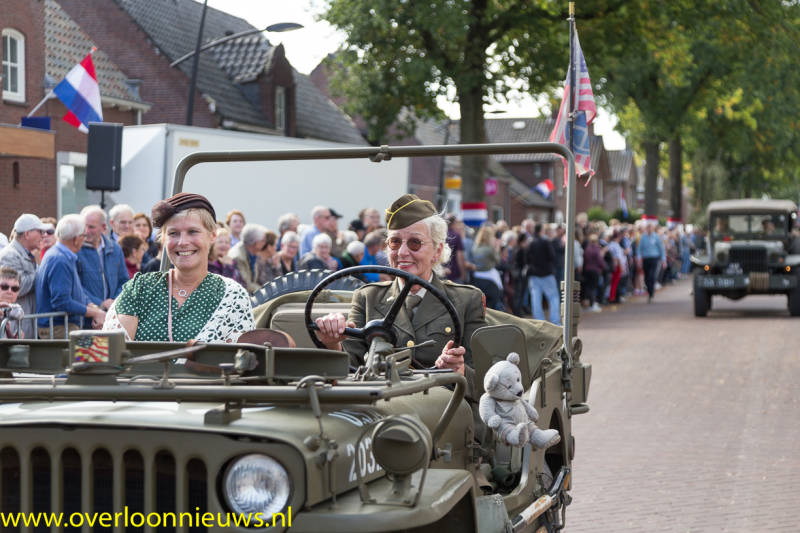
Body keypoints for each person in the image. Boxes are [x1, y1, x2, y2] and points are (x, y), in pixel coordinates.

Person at [314, 193, 486, 390]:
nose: (402, 252)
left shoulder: (466, 300)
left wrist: (460, 371)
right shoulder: (367, 298)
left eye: (415, 243)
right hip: (381, 410)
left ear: (437, 251)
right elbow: (347, 371)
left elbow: (486, 382)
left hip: (442, 411)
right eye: (395, 242)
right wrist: (332, 344)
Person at [103, 193, 255, 343]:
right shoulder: (140, 289)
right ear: (163, 239)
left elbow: (238, 361)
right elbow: (113, 352)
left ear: (212, 236)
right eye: (173, 233)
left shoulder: (231, 295)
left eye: (193, 232)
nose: (182, 242)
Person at [36, 214, 106, 338]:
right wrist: (93, 312)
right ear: (76, 239)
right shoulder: (60, 260)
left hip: (61, 327)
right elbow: (61, 302)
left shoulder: (62, 256)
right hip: (59, 329)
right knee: (83, 357)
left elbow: (75, 291)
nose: (85, 239)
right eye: (83, 235)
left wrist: (91, 306)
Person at [0, 213, 48, 338]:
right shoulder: (10, 255)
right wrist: (42, 271)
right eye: (40, 231)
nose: (44, 235)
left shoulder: (27, 255)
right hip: (14, 328)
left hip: (25, 325)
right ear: (27, 234)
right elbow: (18, 288)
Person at [77, 205, 130, 310]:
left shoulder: (115, 249)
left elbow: (124, 281)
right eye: (84, 227)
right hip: (87, 314)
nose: (86, 231)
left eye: (91, 227)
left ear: (104, 227)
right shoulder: (76, 250)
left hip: (111, 312)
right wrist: (100, 303)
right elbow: (76, 286)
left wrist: (114, 302)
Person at [526, 223, 561, 325]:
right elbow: (552, 256)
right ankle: (555, 321)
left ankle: (538, 321)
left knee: (536, 298)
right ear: (541, 231)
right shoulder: (545, 242)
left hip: (534, 274)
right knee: (553, 297)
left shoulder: (530, 242)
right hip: (546, 273)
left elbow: (526, 258)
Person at [228, 223, 268, 294]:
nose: (265, 243)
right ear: (255, 242)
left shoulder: (253, 253)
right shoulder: (238, 257)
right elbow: (246, 284)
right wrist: (265, 292)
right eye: (263, 240)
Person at [635, 222, 666, 303]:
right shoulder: (643, 237)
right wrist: (638, 258)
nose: (649, 229)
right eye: (648, 228)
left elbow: (661, 249)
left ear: (653, 228)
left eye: (650, 227)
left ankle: (651, 293)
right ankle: (649, 291)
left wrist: (663, 260)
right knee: (646, 277)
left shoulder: (656, 237)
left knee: (652, 275)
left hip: (654, 258)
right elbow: (639, 249)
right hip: (646, 258)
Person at [0, 266, 24, 338]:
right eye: (4, 287)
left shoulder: (15, 310)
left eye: (15, 288)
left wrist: (13, 340)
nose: (9, 291)